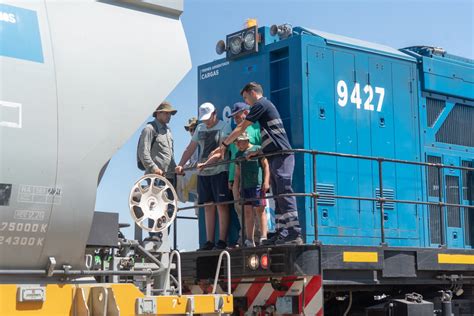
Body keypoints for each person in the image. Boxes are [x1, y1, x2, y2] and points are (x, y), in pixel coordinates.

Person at [212, 82, 303, 245]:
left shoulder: (261, 104)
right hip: (274, 155)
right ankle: (282, 231)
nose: (247, 102)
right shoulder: (263, 109)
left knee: (284, 192)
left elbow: (241, 127)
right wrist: (258, 151)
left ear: (253, 93)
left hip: (282, 155)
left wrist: (224, 145)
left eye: (246, 98)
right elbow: (272, 137)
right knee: (277, 195)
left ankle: (294, 232)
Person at [176, 102, 232, 250]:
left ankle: (221, 241)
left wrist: (206, 163)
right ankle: (208, 241)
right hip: (203, 172)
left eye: (208, 118)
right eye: (204, 119)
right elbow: (190, 148)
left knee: (222, 205)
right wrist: (181, 164)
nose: (206, 121)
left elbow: (222, 151)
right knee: (207, 205)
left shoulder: (224, 127)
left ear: (215, 113)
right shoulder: (199, 128)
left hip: (219, 170)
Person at [137, 101, 177, 239]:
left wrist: (176, 167)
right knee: (154, 206)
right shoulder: (149, 129)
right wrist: (154, 168)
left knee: (169, 209)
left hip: (170, 177)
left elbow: (170, 155)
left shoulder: (168, 131)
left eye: (170, 113)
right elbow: (144, 153)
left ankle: (164, 237)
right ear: (158, 113)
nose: (169, 116)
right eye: (166, 113)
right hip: (156, 177)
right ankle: (155, 234)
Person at [226, 102, 261, 243]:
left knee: (256, 208)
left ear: (246, 112)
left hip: (253, 176)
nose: (235, 118)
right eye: (233, 116)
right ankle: (244, 237)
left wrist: (264, 178)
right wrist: (231, 179)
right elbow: (232, 155)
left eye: (237, 114)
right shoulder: (234, 131)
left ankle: (257, 238)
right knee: (239, 208)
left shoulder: (256, 128)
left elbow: (262, 151)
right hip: (236, 177)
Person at [233, 132, 270, 247]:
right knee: (248, 212)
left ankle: (264, 237)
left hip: (257, 185)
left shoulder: (257, 149)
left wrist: (266, 181)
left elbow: (265, 165)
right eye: (237, 142)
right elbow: (237, 173)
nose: (238, 144)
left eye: (240, 141)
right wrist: (237, 186)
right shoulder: (238, 154)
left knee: (260, 210)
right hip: (245, 186)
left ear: (246, 140)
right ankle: (250, 239)